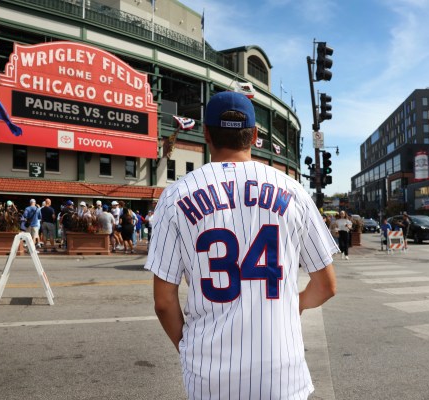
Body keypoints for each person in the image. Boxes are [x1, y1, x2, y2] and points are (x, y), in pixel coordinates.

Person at [145, 91, 339, 399]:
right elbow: (326, 286)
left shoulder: (175, 196)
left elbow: (164, 302)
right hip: (282, 371)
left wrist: (188, 347)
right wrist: (293, 306)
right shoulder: (294, 192)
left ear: (206, 132)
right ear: (255, 136)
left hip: (210, 373)